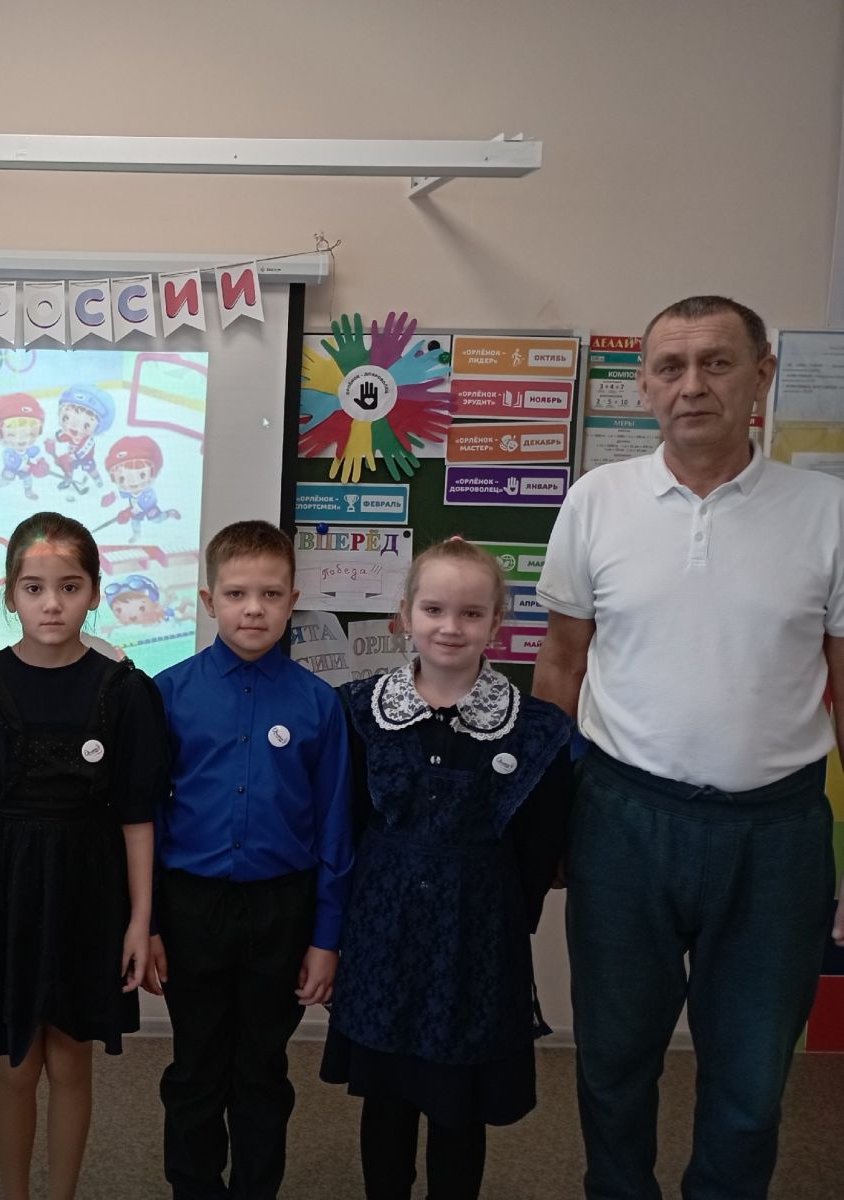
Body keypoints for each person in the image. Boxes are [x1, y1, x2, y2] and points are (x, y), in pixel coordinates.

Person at [535, 294, 844, 1199]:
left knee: (751, 1083)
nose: (693, 385)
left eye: (717, 362)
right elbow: (561, 665)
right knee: (613, 1063)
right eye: (670, 367)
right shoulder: (597, 502)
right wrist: (547, 822)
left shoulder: (827, 511)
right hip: (623, 819)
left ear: (762, 376)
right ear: (645, 386)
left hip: (776, 833)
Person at [321, 537, 572, 1200]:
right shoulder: (356, 712)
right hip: (383, 938)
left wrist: (494, 919)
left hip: (475, 943)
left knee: (459, 1103)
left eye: (470, 613)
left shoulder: (537, 730)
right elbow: (343, 826)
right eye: (433, 609)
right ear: (405, 614)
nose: (450, 627)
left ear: (497, 623)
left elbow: (537, 851)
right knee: (387, 1099)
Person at [0, 511, 169, 1200]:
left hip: (87, 888)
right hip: (3, 885)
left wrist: (140, 919)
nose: (51, 604)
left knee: (70, 1058)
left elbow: (136, 816)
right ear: (10, 594)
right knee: (15, 1063)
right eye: (33, 588)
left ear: (94, 592)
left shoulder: (125, 689)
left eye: (69, 587)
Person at [145, 518, 353, 1199]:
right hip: (191, 906)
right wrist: (148, 924)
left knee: (262, 1069)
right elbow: (146, 820)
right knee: (196, 1066)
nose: (254, 609)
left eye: (270, 594)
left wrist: (326, 938)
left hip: (281, 909)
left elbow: (334, 828)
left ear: (294, 600)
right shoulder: (167, 694)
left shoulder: (319, 704)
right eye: (236, 594)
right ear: (209, 601)